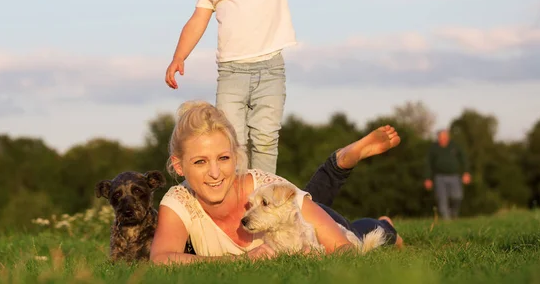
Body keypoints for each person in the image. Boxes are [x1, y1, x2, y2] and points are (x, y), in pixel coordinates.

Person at [164, 0, 341, 174]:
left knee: (265, 138)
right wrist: (178, 56)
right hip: (231, 73)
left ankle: (263, 192)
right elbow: (197, 21)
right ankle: (235, 195)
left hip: (270, 70)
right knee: (232, 141)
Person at [149, 101, 404, 264]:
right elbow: (161, 258)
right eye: (200, 162)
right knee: (314, 196)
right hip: (290, 211)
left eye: (224, 158)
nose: (215, 173)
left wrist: (314, 256)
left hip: (296, 212)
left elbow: (342, 250)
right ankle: (336, 166)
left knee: (357, 234)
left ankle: (377, 213)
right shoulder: (179, 202)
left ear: (236, 156)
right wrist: (241, 261)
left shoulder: (265, 186)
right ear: (179, 165)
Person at [423, 129, 472, 220]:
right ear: (438, 138)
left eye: (444, 137)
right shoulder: (434, 148)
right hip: (439, 177)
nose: (442, 139)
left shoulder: (455, 146)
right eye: (440, 137)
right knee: (442, 200)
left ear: (448, 137)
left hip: (454, 176)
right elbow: (428, 163)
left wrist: (466, 173)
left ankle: (453, 214)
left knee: (457, 196)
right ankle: (447, 221)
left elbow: (464, 159)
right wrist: (427, 178)